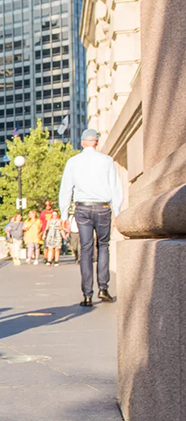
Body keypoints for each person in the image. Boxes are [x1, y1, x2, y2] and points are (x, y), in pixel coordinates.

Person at [58, 127, 123, 307]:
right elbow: (115, 188)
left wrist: (64, 213)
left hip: (83, 208)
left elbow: (66, 189)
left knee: (86, 248)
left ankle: (87, 294)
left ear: (82, 142)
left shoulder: (73, 161)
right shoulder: (107, 161)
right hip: (103, 208)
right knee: (103, 246)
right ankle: (103, 287)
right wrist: (117, 212)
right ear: (96, 142)